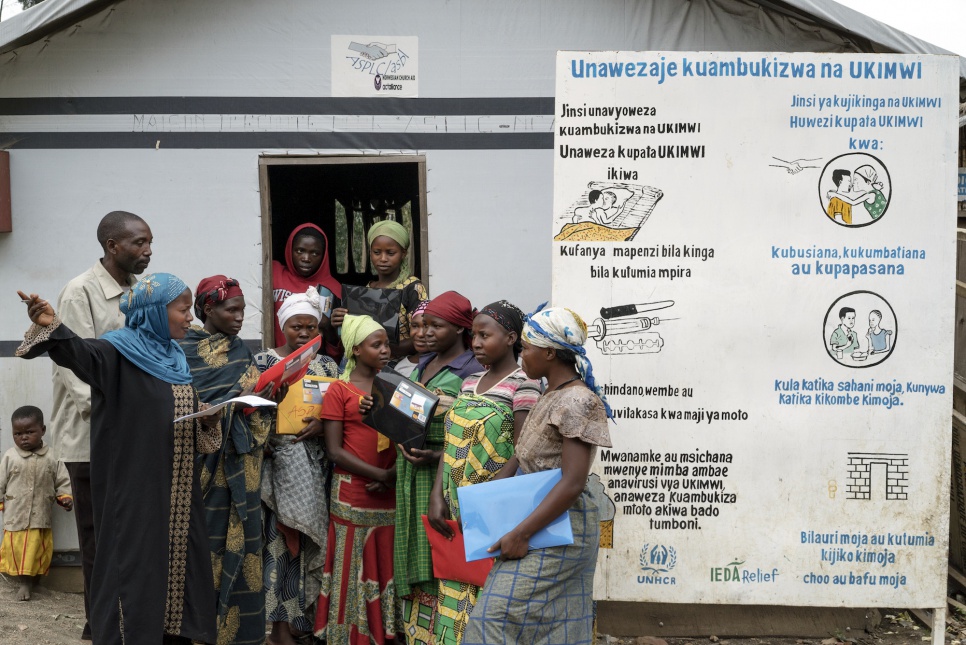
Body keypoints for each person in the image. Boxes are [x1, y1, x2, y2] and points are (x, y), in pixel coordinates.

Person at [16, 274, 222, 645]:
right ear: (155, 312)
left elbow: (169, 414)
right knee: (136, 567)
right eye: (182, 309)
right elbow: (79, 353)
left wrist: (205, 415)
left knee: (176, 568)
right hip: (136, 494)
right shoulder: (115, 353)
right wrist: (52, 325)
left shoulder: (174, 356)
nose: (190, 317)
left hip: (176, 492)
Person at [462, 306, 612, 645]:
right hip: (542, 519)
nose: (521, 354)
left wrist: (520, 533)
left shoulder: (577, 401)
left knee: (492, 617)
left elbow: (572, 482)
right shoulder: (550, 393)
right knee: (557, 626)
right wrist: (485, 503)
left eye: (526, 347)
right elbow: (523, 454)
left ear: (548, 352)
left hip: (562, 525)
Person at [51, 210, 151, 639]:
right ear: (112, 246)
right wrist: (125, 414)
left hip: (129, 434)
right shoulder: (80, 292)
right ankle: (100, 624)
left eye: (149, 243)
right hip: (92, 441)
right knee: (96, 538)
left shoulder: (140, 289)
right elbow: (75, 370)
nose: (148, 251)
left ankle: (124, 617)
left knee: (127, 534)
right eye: (139, 243)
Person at [427, 301, 542, 645]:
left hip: (493, 507)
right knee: (455, 582)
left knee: (489, 593)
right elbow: (450, 444)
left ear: (510, 337)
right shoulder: (469, 382)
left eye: (484, 335)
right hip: (455, 501)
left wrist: (488, 498)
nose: (475, 342)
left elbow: (524, 451)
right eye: (473, 335)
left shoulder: (525, 384)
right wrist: (438, 494)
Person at [179, 276, 275, 645]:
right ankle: (199, 629)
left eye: (242, 309)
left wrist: (261, 397)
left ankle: (242, 635)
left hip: (243, 471)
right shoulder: (183, 351)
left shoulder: (241, 352)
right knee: (204, 549)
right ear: (208, 309)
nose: (240, 317)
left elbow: (256, 414)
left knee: (247, 547)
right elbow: (181, 406)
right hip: (203, 473)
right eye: (231, 310)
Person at [395, 291, 483, 645]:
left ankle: (445, 634)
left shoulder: (472, 371)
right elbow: (408, 412)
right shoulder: (423, 363)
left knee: (440, 554)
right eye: (423, 324)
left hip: (440, 477)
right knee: (415, 551)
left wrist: (436, 457)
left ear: (461, 328)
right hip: (410, 474)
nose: (426, 332)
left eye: (436, 325)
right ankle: (417, 633)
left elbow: (473, 431)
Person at [257, 288, 340, 645]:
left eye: (310, 326)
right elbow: (248, 412)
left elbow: (340, 413)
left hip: (318, 469)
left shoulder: (327, 365)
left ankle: (304, 623)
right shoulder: (263, 363)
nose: (304, 333)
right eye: (296, 327)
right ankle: (278, 629)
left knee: (311, 547)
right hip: (278, 469)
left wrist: (324, 425)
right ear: (282, 327)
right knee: (281, 548)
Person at [315, 315, 397, 645]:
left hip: (388, 494)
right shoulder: (339, 390)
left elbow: (408, 434)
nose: (385, 350)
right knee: (351, 567)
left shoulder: (392, 387)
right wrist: (381, 475)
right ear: (355, 349)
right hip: (353, 495)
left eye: (386, 344)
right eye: (376, 345)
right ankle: (345, 636)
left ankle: (382, 634)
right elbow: (334, 450)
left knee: (383, 561)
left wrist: (394, 477)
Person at [0, 406, 73, 601]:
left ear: (43, 430)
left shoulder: (52, 456)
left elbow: (62, 480)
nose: (23, 437)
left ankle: (36, 583)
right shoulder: (9, 456)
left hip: (41, 515)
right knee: (20, 551)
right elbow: (1, 482)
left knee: (39, 550)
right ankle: (24, 583)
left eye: (29, 432)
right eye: (18, 434)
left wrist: (65, 497)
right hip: (16, 515)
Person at [331, 220, 428, 360]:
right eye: (377, 252)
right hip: (368, 363)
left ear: (403, 253)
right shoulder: (366, 290)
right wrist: (340, 323)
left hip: (401, 364)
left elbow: (422, 336)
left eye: (390, 253)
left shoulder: (412, 288)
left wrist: (382, 347)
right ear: (370, 252)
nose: (383, 259)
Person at [272, 223, 343, 351]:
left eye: (315, 253)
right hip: (276, 360)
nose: (306, 258)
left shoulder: (333, 289)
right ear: (290, 250)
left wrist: (327, 327)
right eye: (300, 251)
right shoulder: (274, 273)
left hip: (313, 364)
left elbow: (337, 347)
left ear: (324, 255)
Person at [392, 300, 429, 378]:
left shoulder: (444, 366)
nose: (420, 334)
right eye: (415, 326)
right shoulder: (401, 367)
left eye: (426, 326)